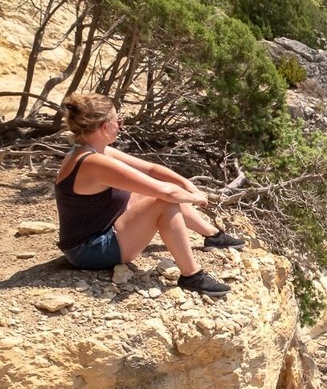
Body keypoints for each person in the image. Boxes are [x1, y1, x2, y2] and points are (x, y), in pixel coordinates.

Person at [55, 92, 243, 297]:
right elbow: (165, 192)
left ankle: (212, 236)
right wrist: (195, 196)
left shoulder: (92, 151)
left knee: (152, 192)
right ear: (104, 127)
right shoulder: (93, 162)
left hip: (97, 232)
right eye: (118, 120)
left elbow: (151, 170)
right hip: (88, 250)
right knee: (164, 202)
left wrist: (186, 183)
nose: (120, 125)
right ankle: (192, 275)